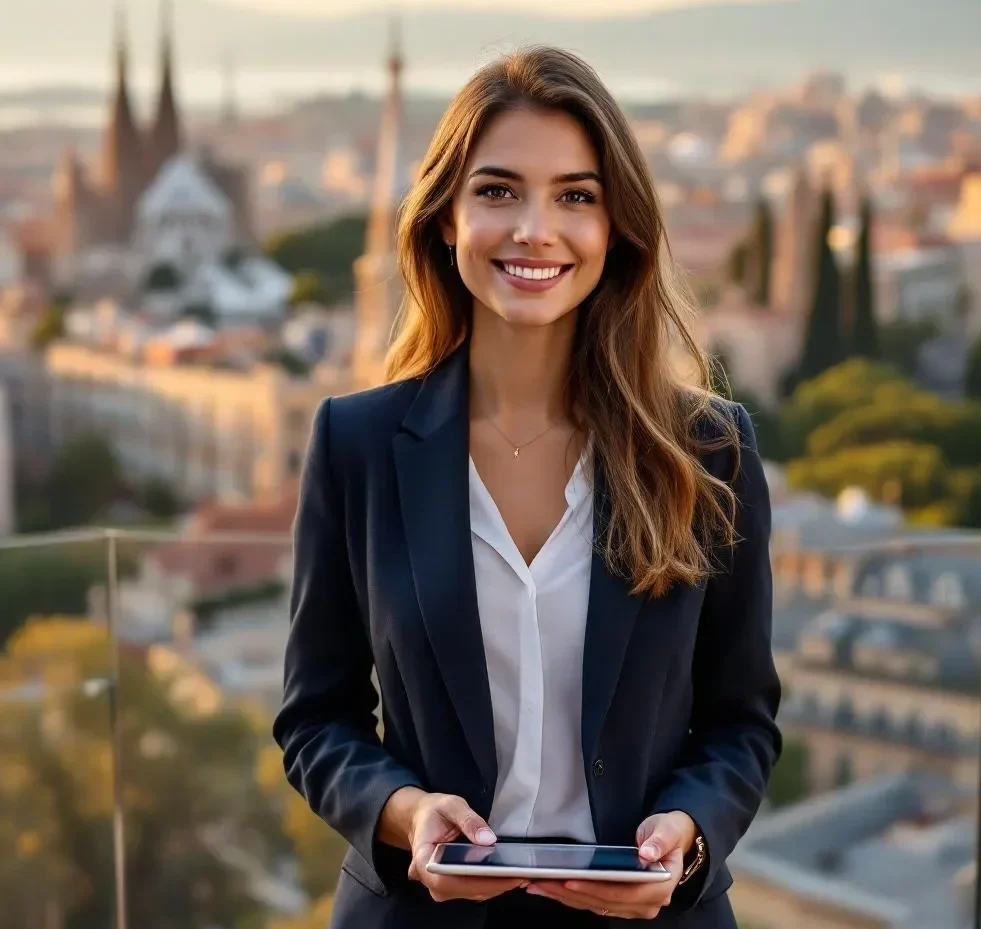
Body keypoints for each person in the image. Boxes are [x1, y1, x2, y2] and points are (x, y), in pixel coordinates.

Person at [273, 45, 781, 929]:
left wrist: (689, 832)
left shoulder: (707, 449)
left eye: (575, 196)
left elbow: (741, 720)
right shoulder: (353, 443)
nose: (533, 230)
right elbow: (316, 718)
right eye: (497, 190)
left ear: (616, 226)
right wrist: (405, 814)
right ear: (444, 219)